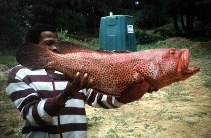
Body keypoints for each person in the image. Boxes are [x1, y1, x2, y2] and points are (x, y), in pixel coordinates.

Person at [6, 24, 143, 138]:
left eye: (57, 43)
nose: (55, 48)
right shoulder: (20, 73)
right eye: (48, 43)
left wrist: (130, 94)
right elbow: (33, 116)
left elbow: (96, 98)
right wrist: (67, 93)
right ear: (34, 47)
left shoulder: (71, 69)